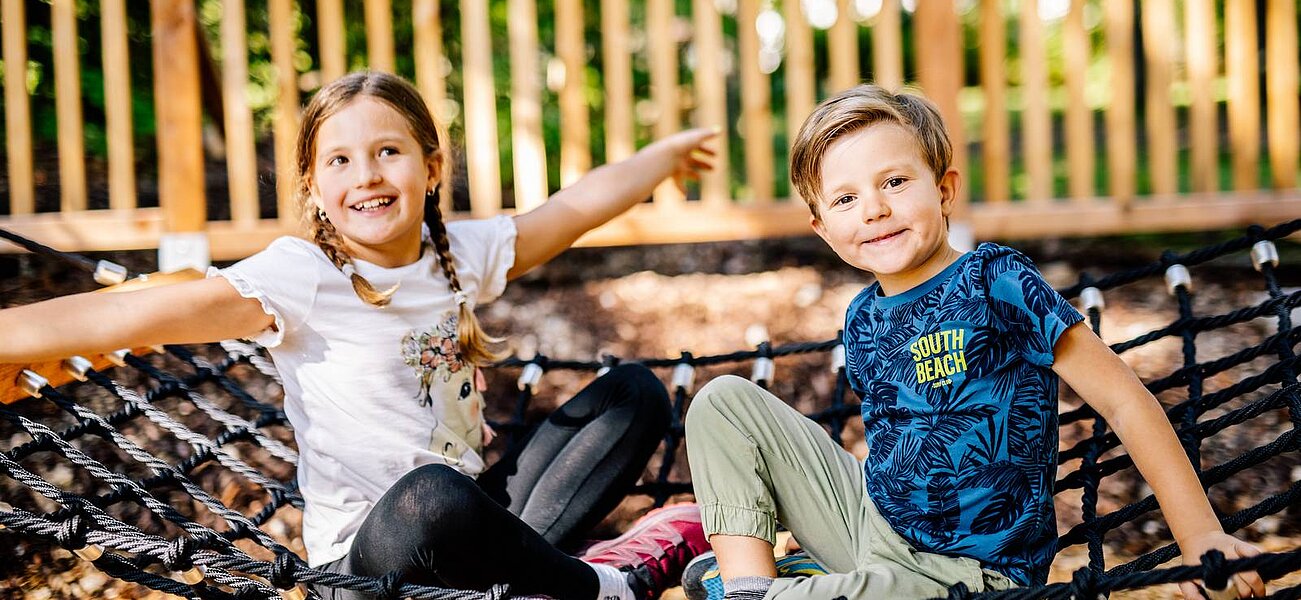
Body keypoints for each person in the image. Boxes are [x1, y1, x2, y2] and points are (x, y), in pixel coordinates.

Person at [0, 71, 712, 600]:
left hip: (474, 516)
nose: (366, 175)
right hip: (370, 567)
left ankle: (523, 580)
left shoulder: (457, 255)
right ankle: (602, 586)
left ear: (431, 168)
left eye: (388, 152)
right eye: (339, 160)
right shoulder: (299, 276)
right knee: (427, 495)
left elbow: (576, 207)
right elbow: (129, 317)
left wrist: (666, 154)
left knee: (632, 394)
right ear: (312, 186)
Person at [682, 84, 1266, 600]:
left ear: (944, 189)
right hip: (873, 528)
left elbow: (1122, 399)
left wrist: (1199, 536)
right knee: (722, 402)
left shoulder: (993, 281)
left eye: (894, 181)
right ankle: (751, 586)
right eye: (845, 199)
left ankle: (798, 585)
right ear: (822, 228)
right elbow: (900, 444)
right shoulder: (863, 318)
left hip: (969, 574)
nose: (875, 209)